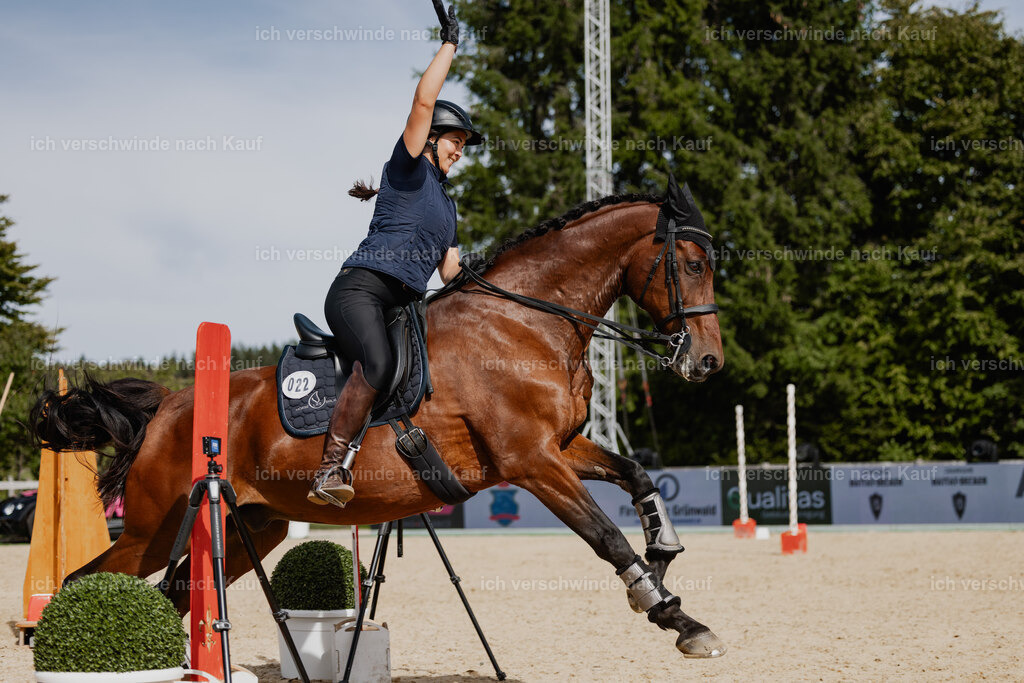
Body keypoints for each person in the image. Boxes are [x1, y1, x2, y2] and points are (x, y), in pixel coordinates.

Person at [308, 0, 483, 507]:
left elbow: (450, 273)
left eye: (465, 145)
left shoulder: (448, 208)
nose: (460, 151)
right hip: (360, 290)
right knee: (379, 366)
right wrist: (450, 44)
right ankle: (328, 469)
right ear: (430, 141)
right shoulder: (408, 170)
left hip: (402, 303)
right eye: (455, 141)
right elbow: (423, 102)